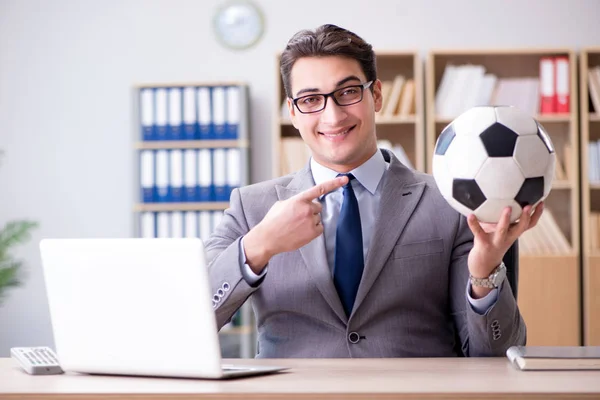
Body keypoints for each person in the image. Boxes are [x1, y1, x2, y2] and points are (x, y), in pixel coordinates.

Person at [206, 24, 539, 358]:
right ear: (292, 112)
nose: (333, 116)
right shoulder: (252, 206)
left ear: (376, 95)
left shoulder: (449, 203)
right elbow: (194, 315)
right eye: (310, 100)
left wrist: (484, 276)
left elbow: (494, 356)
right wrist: (258, 246)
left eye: (348, 92)